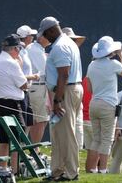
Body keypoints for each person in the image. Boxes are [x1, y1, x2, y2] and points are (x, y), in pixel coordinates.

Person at [39, 16, 83, 182]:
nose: (45, 37)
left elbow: (64, 74)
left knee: (66, 133)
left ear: (51, 30)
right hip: (67, 90)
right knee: (58, 132)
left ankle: (71, 172)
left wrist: (57, 100)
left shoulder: (60, 46)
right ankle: (57, 170)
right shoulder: (67, 43)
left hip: (65, 91)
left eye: (45, 34)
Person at [84, 36, 122, 174]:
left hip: (94, 103)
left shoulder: (91, 65)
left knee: (97, 139)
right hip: (108, 104)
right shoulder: (113, 64)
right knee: (106, 139)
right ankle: (103, 170)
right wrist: (121, 54)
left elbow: (89, 89)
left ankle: (92, 169)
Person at [0, 34, 28, 172]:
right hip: (12, 104)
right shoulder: (12, 62)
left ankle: (2, 168)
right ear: (14, 48)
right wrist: (21, 65)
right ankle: (15, 169)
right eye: (19, 49)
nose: (20, 52)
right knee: (18, 137)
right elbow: (24, 85)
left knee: (4, 138)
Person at [25, 26, 50, 143]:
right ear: (41, 38)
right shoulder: (35, 49)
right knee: (41, 120)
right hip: (38, 87)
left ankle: (33, 149)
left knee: (36, 120)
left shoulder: (35, 49)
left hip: (36, 87)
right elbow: (46, 70)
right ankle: (34, 150)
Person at [62, 27, 86, 150]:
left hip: (70, 87)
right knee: (76, 121)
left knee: (72, 121)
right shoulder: (74, 49)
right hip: (77, 86)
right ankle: (76, 148)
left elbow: (64, 73)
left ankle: (74, 149)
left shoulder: (67, 50)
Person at [15, 26, 41, 132]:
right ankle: (19, 147)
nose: (33, 38)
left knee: (29, 120)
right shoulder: (19, 52)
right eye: (31, 36)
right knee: (23, 123)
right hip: (20, 91)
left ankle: (23, 146)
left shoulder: (24, 51)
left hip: (26, 91)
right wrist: (34, 77)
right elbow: (17, 75)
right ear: (26, 37)